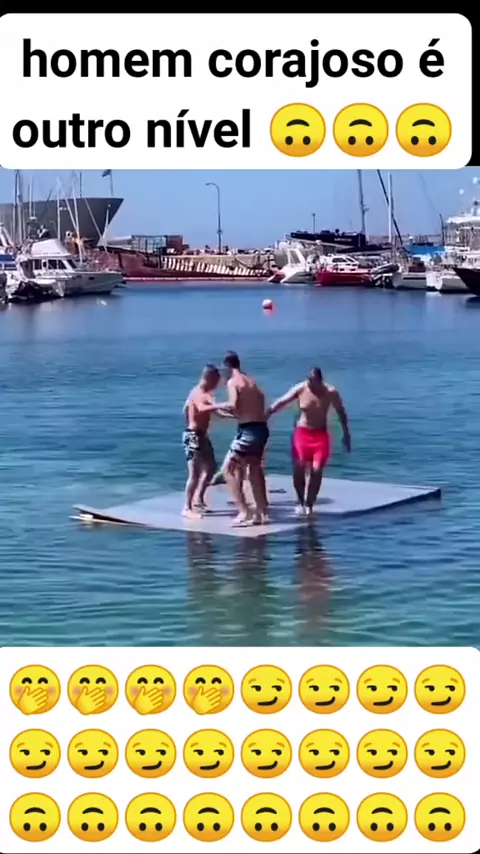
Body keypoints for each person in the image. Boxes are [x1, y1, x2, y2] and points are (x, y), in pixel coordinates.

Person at [267, 366, 351, 515]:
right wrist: (267, 413)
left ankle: (310, 504)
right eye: (309, 381)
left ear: (320, 381)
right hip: (302, 433)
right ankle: (301, 501)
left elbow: (341, 412)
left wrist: (346, 434)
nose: (310, 385)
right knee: (299, 467)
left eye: (313, 382)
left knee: (317, 470)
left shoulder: (330, 392)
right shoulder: (301, 388)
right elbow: (282, 401)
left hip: (320, 435)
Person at [205, 351, 269, 526]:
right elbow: (256, 405)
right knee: (254, 470)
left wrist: (215, 406)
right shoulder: (252, 382)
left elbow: (233, 405)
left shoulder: (233, 381)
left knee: (228, 470)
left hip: (248, 432)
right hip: (260, 429)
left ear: (227, 366)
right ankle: (261, 513)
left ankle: (244, 512)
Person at [182, 364, 230, 518]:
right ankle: (187, 508)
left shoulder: (205, 394)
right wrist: (221, 404)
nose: (217, 385)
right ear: (209, 378)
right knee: (194, 473)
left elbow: (186, 408)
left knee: (210, 469)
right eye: (215, 381)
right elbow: (202, 408)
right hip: (193, 436)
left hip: (202, 436)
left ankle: (198, 499)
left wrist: (231, 415)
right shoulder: (198, 393)